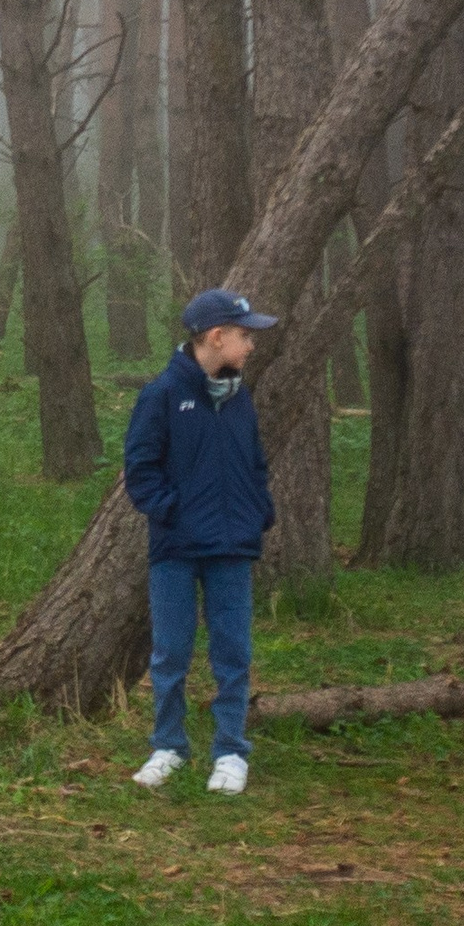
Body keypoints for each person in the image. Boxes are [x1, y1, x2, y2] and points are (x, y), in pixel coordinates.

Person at [121, 287, 278, 795]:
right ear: (215, 337)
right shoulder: (163, 395)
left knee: (232, 653)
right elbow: (141, 473)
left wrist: (258, 513)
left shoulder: (240, 399)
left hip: (232, 548)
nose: (250, 345)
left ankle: (231, 752)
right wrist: (177, 516)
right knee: (171, 652)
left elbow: (255, 463)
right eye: (243, 335)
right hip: (176, 550)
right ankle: (168, 746)